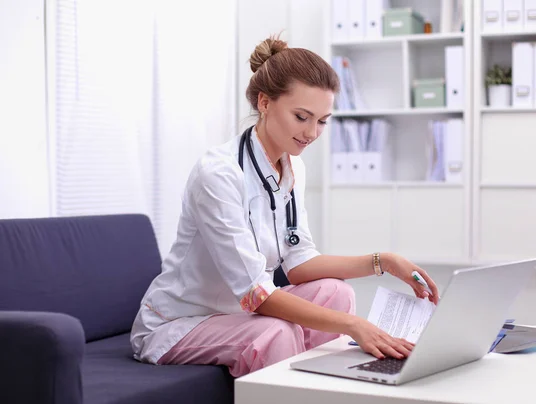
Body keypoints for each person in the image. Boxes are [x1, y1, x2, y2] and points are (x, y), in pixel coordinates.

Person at [130, 35, 440, 378]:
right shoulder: (218, 174)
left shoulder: (292, 167)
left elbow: (298, 263)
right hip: (181, 322)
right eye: (302, 116)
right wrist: (353, 326)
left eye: (322, 120)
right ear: (265, 103)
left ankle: (325, 387)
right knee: (277, 331)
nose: (312, 133)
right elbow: (256, 295)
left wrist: (383, 262)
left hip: (238, 314)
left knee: (336, 292)